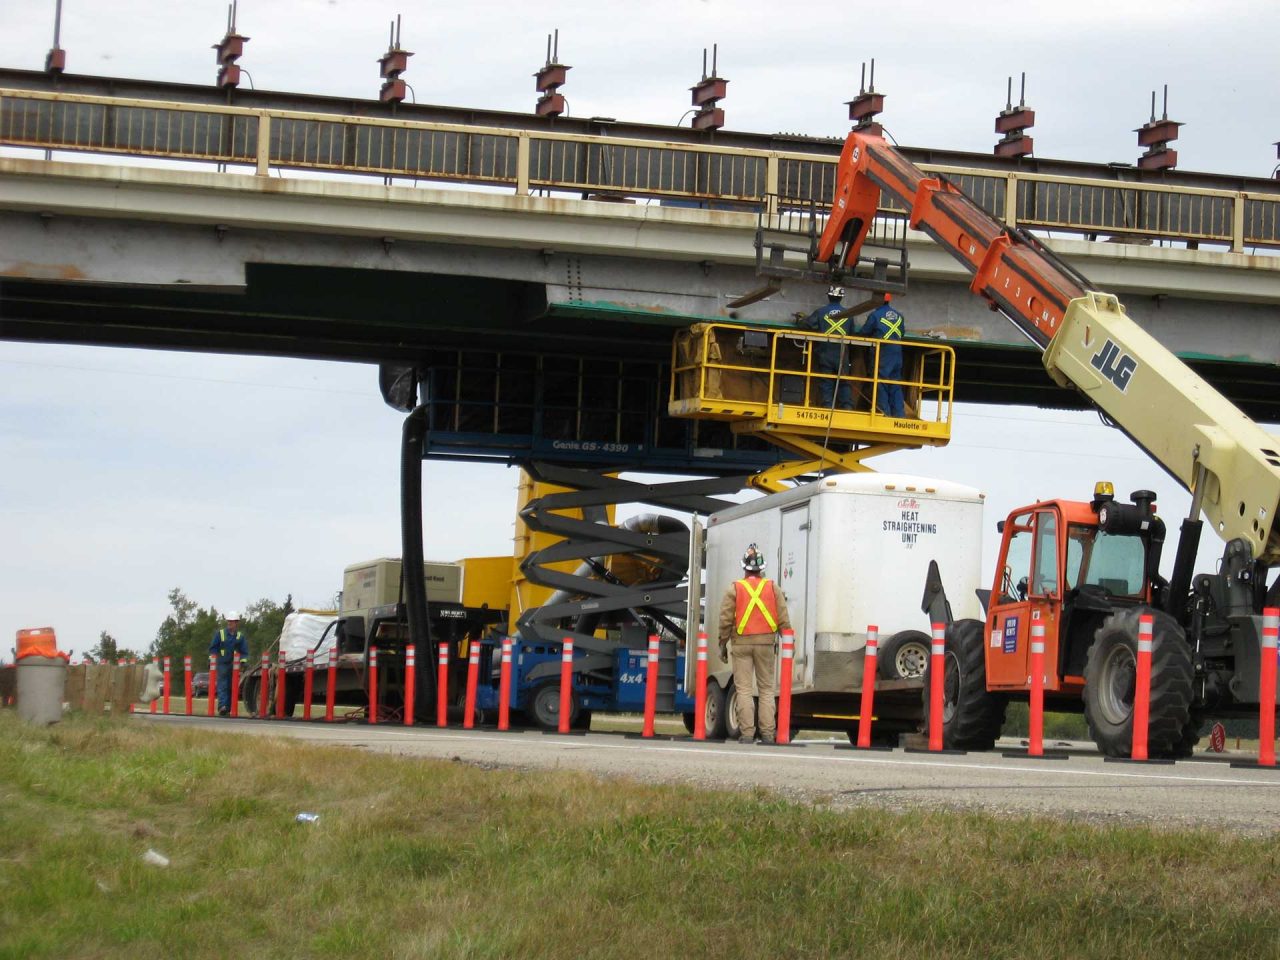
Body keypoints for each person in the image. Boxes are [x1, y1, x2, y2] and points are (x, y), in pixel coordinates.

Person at [717, 543, 792, 744]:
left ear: (744, 567)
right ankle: (767, 734)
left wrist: (722, 643)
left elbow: (725, 619)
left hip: (741, 643)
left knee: (744, 690)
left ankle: (747, 734)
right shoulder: (773, 587)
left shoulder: (735, 588)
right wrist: (788, 641)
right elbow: (783, 618)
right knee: (766, 690)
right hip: (766, 643)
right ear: (762, 568)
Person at [796, 285, 854, 410]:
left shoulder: (821, 312)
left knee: (826, 382)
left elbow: (808, 324)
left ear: (828, 296)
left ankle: (827, 406)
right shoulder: (849, 314)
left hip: (825, 353)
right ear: (841, 298)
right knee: (844, 381)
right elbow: (852, 332)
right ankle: (847, 407)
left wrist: (800, 320)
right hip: (842, 354)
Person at [858, 292, 906, 417]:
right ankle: (899, 414)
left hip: (883, 352)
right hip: (897, 352)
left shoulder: (875, 315)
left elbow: (865, 332)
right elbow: (902, 333)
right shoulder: (899, 316)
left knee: (880, 380)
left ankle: (884, 413)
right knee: (894, 382)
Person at [209, 610, 249, 716]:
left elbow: (244, 652)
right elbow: (213, 648)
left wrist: (243, 662)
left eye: (232, 621)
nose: (230, 623)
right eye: (229, 621)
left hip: (234, 666)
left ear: (237, 623)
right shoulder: (220, 634)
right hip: (222, 663)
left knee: (232, 687)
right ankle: (222, 706)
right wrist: (211, 660)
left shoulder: (240, 636)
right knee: (223, 685)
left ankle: (228, 708)